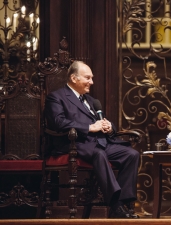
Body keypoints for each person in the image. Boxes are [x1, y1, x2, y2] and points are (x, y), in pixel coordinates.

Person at [45, 60, 140, 219]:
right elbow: (58, 123)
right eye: (88, 78)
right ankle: (116, 205)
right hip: (75, 144)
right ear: (74, 79)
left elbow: (100, 122)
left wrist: (110, 128)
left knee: (131, 154)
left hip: (100, 142)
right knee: (99, 154)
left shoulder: (90, 100)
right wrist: (89, 127)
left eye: (92, 78)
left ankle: (122, 203)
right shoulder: (56, 97)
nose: (92, 82)